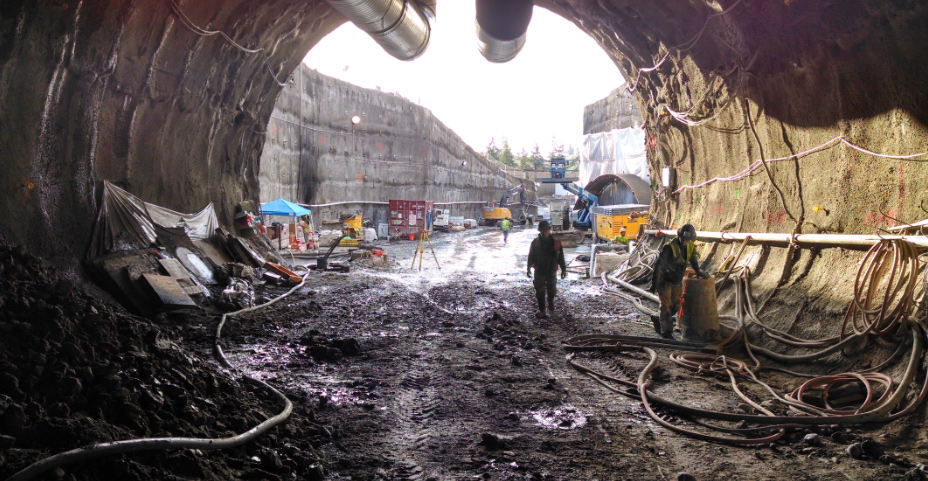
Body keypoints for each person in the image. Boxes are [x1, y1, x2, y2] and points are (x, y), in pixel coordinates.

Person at [650, 224, 708, 338]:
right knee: (665, 306)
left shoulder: (690, 246)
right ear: (679, 236)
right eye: (684, 239)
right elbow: (659, 266)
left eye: (687, 240)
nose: (685, 242)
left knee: (676, 306)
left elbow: (692, 258)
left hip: (676, 280)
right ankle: (667, 332)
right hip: (665, 281)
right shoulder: (669, 247)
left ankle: (658, 319)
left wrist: (698, 270)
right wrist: (654, 284)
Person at [526, 220, 567, 318]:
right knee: (539, 292)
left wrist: (563, 269)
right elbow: (531, 256)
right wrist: (528, 268)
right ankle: (542, 311)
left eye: (546, 230)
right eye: (543, 231)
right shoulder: (535, 243)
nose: (545, 233)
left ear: (549, 230)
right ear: (540, 231)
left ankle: (551, 308)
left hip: (551, 271)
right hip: (539, 271)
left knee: (551, 291)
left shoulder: (556, 243)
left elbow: (561, 257)